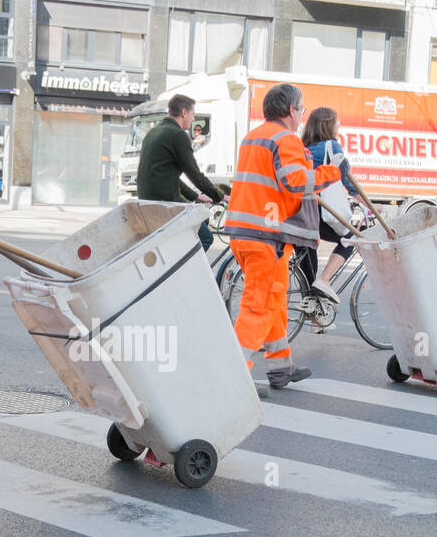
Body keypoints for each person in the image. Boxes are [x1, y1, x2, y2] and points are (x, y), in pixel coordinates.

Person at [224, 83, 343, 390]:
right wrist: (331, 172)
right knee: (258, 305)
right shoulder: (284, 138)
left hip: (245, 231)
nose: (302, 116)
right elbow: (295, 182)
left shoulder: (253, 136)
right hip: (266, 236)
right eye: (301, 109)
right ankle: (231, 379)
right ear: (291, 110)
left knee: (274, 301)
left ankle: (281, 367)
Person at [136, 94, 224, 250]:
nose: (193, 118)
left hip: (148, 200)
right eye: (192, 114)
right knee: (205, 237)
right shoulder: (177, 135)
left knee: (202, 220)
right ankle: (181, 272)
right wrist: (221, 196)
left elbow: (167, 175)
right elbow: (194, 174)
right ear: (184, 112)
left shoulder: (154, 132)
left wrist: (196, 196)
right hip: (166, 203)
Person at [300, 106, 360, 304]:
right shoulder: (332, 146)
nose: (339, 125)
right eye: (336, 121)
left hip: (298, 209)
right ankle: (325, 280)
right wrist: (360, 197)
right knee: (350, 239)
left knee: (307, 262)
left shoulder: (302, 146)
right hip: (318, 208)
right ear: (328, 125)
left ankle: (314, 317)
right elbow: (345, 176)